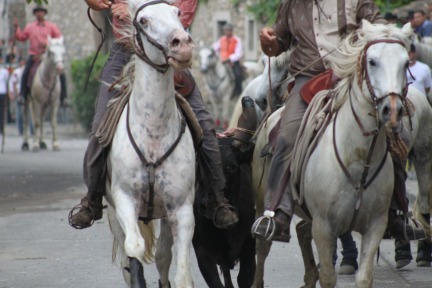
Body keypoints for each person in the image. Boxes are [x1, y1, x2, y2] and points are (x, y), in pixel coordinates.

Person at [251, 0, 425, 242]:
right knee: (285, 135)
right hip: (307, 81)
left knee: (399, 135)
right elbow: (279, 44)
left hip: (351, 78)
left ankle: (397, 213)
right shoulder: (291, 4)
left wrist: (390, 34)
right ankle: (277, 213)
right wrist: (268, 42)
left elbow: (379, 25)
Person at [69, 0, 239, 230]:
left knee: (205, 125)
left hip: (166, 52)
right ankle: (92, 200)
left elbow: (183, 14)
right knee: (101, 123)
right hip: (124, 51)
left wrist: (131, 13)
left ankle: (217, 199)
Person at [13, 5, 67, 106]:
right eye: (37, 11)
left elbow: (59, 38)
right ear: (35, 13)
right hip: (34, 56)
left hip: (48, 56)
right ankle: (23, 95)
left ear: (44, 13)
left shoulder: (51, 27)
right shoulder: (30, 27)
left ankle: (64, 97)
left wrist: (47, 43)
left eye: (41, 11)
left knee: (61, 71)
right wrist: (16, 29)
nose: (39, 13)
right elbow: (21, 37)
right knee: (26, 71)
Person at [213, 23, 244, 97]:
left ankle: (239, 92)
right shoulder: (221, 39)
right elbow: (215, 48)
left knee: (237, 75)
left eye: (228, 30)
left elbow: (239, 53)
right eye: (225, 30)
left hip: (232, 62)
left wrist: (229, 58)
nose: (227, 32)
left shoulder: (237, 40)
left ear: (231, 31)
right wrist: (218, 55)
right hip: (221, 62)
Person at [8, 57, 34, 136]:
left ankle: (32, 129)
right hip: (19, 93)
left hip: (27, 93)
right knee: (19, 113)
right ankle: (21, 129)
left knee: (30, 113)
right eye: (21, 62)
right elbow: (13, 83)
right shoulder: (17, 72)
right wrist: (14, 93)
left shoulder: (29, 71)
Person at [0, 57, 8, 135]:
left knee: (2, 112)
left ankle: (2, 128)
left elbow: (6, 81)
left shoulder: (4, 72)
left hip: (2, 92)